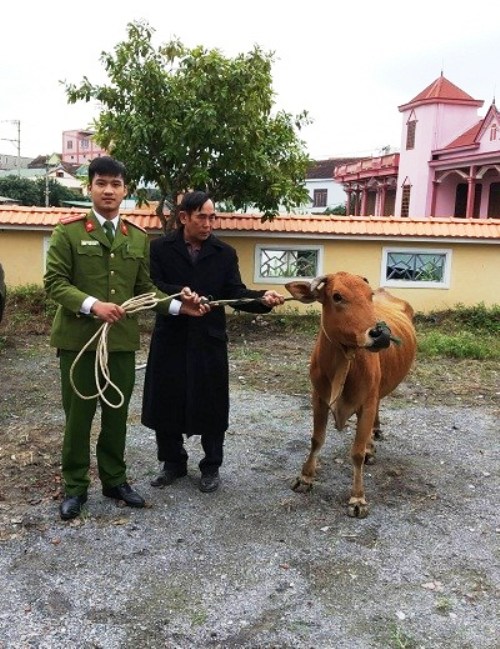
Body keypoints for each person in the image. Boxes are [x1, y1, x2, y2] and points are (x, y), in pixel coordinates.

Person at [44, 156, 207, 521]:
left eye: (116, 184)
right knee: (79, 417)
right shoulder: (68, 232)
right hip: (79, 342)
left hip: (119, 342)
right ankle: (74, 487)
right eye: (101, 183)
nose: (108, 190)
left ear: (125, 190)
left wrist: (182, 307)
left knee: (116, 416)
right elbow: (55, 283)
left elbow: (145, 290)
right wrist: (93, 305)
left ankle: (114, 480)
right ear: (90, 187)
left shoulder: (136, 236)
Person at [141, 190, 284, 493]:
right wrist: (180, 292)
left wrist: (262, 299)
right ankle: (172, 463)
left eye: (212, 217)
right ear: (183, 218)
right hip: (172, 337)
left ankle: (211, 466)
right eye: (201, 217)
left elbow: (235, 292)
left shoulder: (224, 252)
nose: (208, 223)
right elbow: (151, 286)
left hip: (209, 339)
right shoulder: (160, 249)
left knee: (211, 403)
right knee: (167, 400)